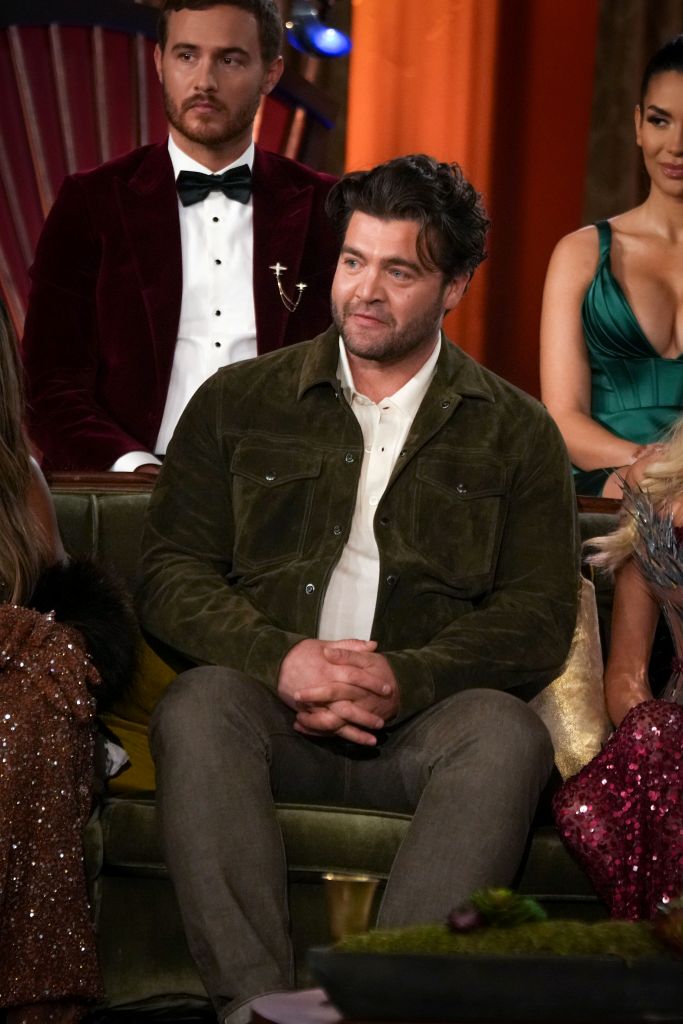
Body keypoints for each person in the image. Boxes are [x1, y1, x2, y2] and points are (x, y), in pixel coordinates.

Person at [138, 154, 580, 1024]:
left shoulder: (517, 432)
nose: (365, 291)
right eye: (352, 260)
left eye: (398, 271)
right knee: (197, 706)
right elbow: (169, 572)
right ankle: (256, 1008)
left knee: (506, 735)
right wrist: (283, 659)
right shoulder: (238, 401)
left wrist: (404, 678)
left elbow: (536, 617)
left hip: (423, 731)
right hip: (271, 712)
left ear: (455, 287)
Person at [21, 0, 338, 474]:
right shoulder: (90, 201)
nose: (204, 81)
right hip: (124, 483)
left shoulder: (327, 208)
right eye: (187, 55)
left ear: (270, 74)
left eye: (229, 59)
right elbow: (48, 381)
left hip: (282, 486)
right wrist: (131, 469)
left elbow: (357, 372)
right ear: (159, 62)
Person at [0, 313, 137, 1022]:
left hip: (21, 718)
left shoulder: (16, 479)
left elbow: (66, 623)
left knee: (43, 688)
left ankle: (39, 999)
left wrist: (36, 640)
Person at [540, 35, 683, 498]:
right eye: (660, 121)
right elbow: (563, 418)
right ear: (638, 125)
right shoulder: (580, 254)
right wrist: (650, 466)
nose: (676, 145)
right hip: (608, 480)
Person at [553, 438, 683, 920]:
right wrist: (660, 752)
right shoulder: (658, 499)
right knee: (590, 804)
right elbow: (627, 674)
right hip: (674, 729)